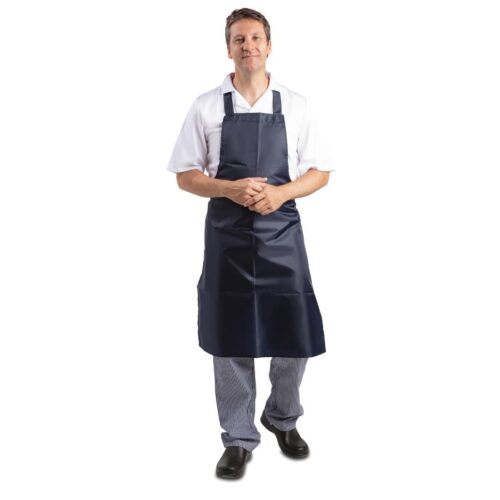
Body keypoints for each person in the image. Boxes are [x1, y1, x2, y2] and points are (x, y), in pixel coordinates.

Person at [166, 8, 335, 479]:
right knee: (229, 333)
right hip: (228, 237)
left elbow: (320, 171)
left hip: (282, 233)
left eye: (256, 38)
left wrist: (279, 193)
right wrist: (229, 188)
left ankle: (283, 416)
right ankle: (238, 437)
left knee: (295, 330)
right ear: (229, 48)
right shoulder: (206, 106)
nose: (248, 46)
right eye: (239, 39)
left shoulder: (296, 104)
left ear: (269, 45)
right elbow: (185, 175)